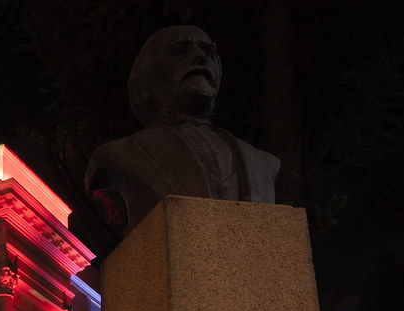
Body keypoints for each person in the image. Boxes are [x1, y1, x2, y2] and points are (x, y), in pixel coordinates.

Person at [85, 25, 280, 234]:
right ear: (147, 78)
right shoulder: (118, 155)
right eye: (180, 51)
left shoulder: (263, 163)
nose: (200, 57)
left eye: (209, 52)